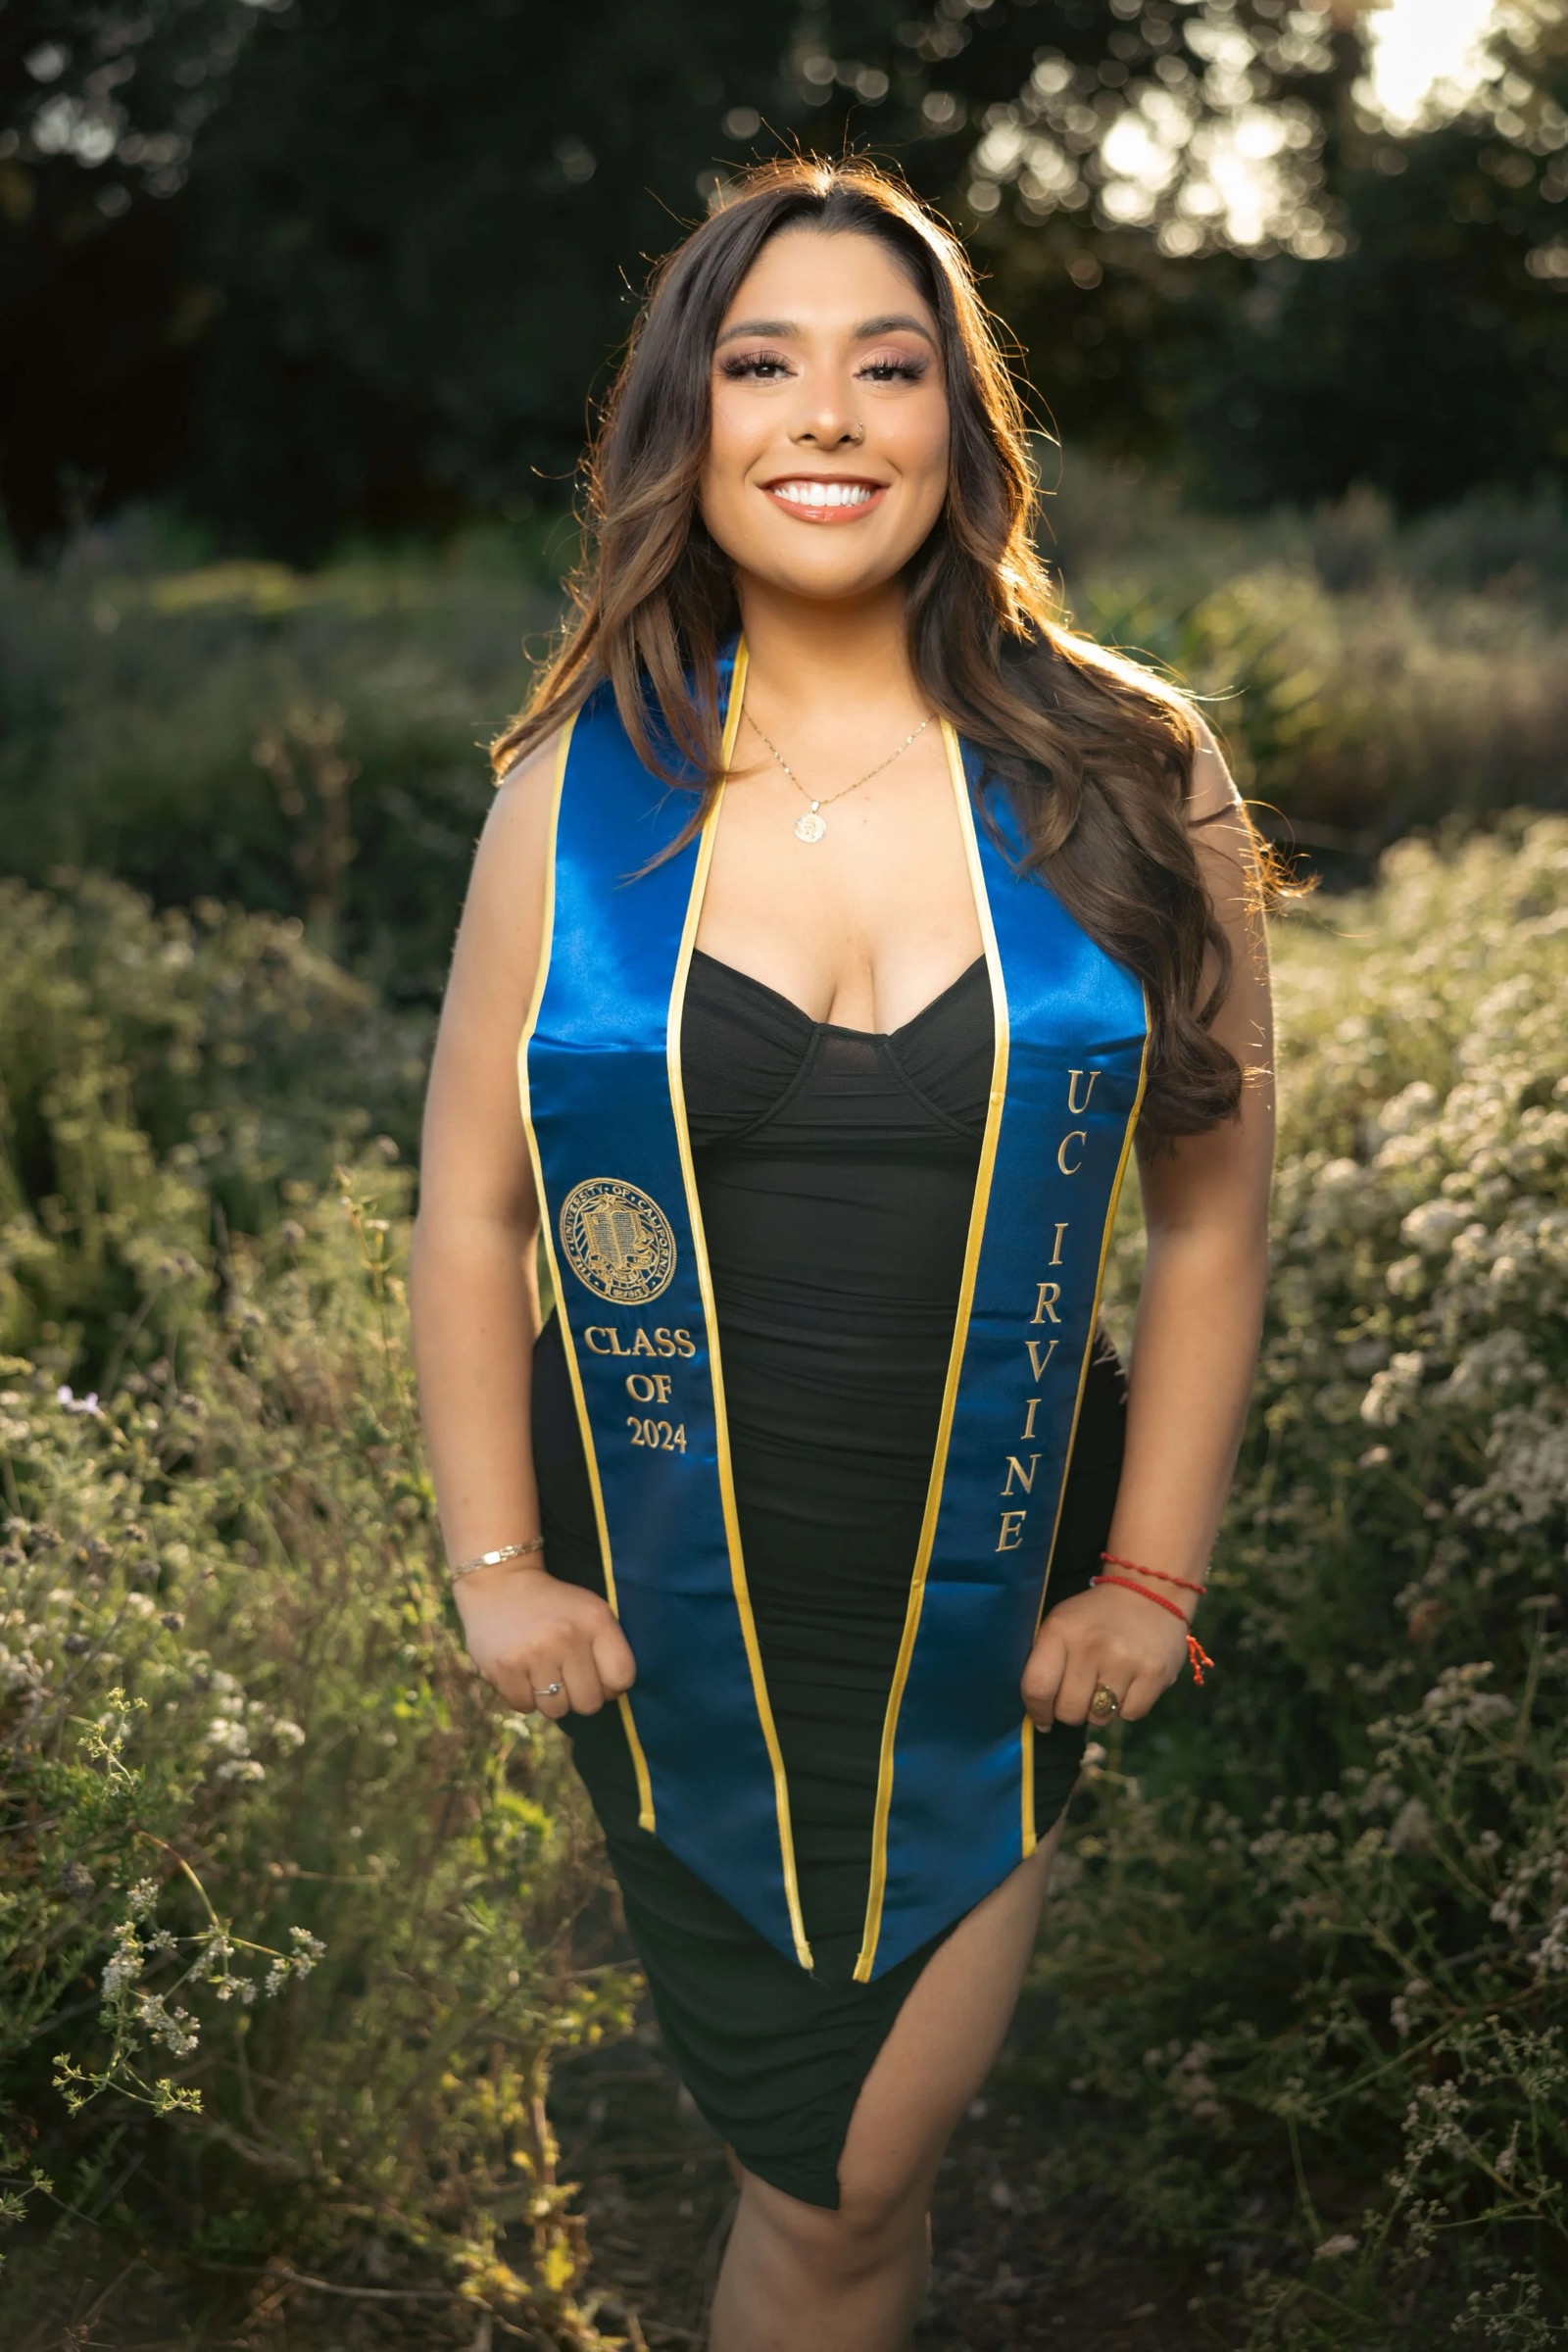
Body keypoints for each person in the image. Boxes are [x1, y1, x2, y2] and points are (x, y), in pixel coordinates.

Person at [410, 156, 1277, 2352]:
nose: (824, 416)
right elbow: (475, 1200)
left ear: (954, 428)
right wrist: (498, 1569)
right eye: (760, 363)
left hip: (992, 1602)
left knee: (859, 2165)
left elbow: (1202, 1221)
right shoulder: (569, 800)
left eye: (884, 367)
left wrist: (1149, 1581)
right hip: (674, 1589)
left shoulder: (1121, 766)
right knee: (827, 2180)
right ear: (684, 424)